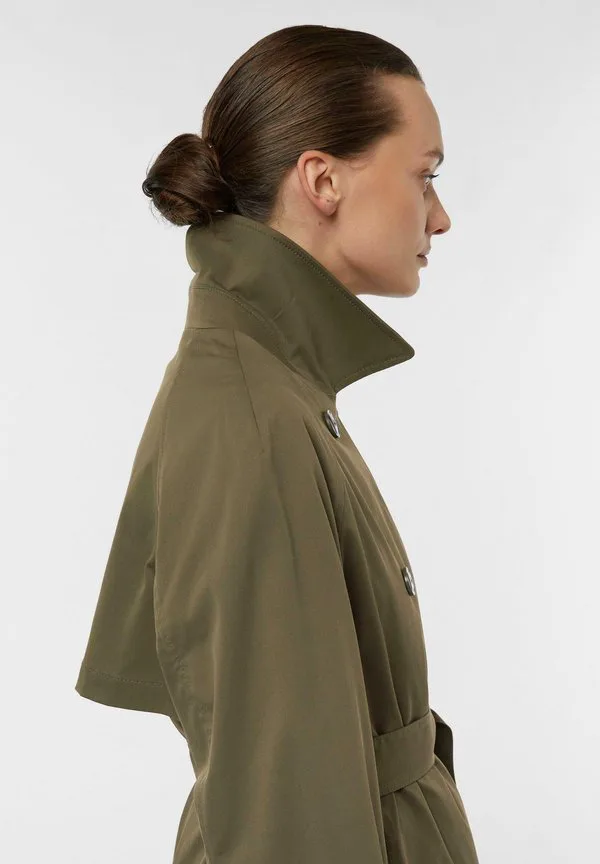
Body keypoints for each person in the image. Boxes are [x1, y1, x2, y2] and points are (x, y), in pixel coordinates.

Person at [75, 23, 480, 864]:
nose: (440, 217)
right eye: (425, 175)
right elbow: (287, 814)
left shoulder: (275, 383)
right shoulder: (253, 417)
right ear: (323, 179)